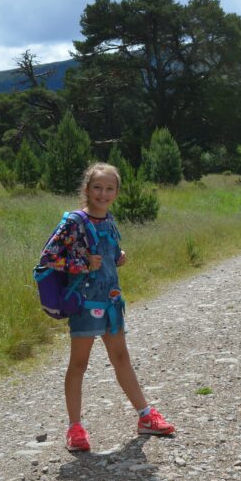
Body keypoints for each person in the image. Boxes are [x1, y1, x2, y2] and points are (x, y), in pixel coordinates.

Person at [37, 162, 175, 452]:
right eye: (97, 187)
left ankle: (145, 416)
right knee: (79, 364)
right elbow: (47, 259)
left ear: (116, 192)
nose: (103, 193)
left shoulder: (109, 220)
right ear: (87, 189)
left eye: (109, 188)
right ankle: (75, 429)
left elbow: (105, 254)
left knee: (121, 358)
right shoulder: (73, 222)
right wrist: (81, 264)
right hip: (85, 305)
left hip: (111, 301)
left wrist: (118, 256)